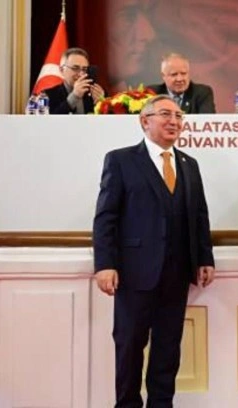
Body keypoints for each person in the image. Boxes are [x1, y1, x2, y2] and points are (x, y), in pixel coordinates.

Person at [92, 95, 215, 407]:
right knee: (130, 346)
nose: (174, 121)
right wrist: (105, 264)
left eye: (179, 116)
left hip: (177, 273)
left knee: (168, 348)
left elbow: (199, 215)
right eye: (165, 114)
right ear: (144, 121)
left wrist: (204, 257)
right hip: (134, 273)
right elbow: (106, 216)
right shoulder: (120, 160)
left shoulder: (189, 164)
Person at [148, 53, 216, 114]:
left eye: (183, 73)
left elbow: (207, 120)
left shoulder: (202, 93)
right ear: (163, 76)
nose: (179, 79)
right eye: (174, 74)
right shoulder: (152, 93)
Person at [43, 47, 105, 114]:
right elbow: (49, 119)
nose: (81, 74)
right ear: (62, 70)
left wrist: (102, 104)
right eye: (75, 68)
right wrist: (74, 97)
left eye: (84, 69)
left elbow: (109, 118)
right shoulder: (48, 95)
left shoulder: (96, 93)